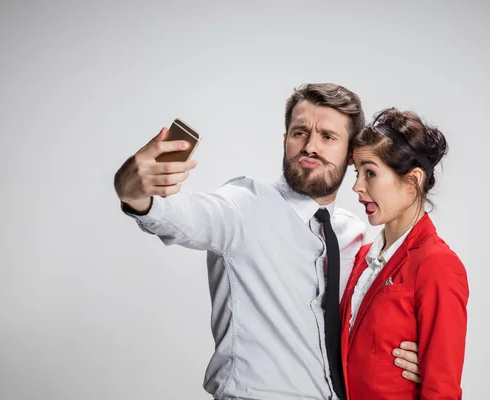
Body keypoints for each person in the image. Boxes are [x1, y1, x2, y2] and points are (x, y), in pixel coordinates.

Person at [114, 83, 421, 400]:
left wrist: (407, 358)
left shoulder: (355, 236)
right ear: (285, 141)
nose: (310, 147)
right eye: (300, 133)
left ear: (350, 157)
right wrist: (133, 190)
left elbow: (367, 325)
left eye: (327, 137)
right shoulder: (243, 206)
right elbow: (180, 214)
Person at [340, 107, 469, 399]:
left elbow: (442, 391)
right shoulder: (360, 259)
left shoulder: (438, 265)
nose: (357, 187)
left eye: (370, 173)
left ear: (412, 181)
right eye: (357, 173)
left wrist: (430, 366)